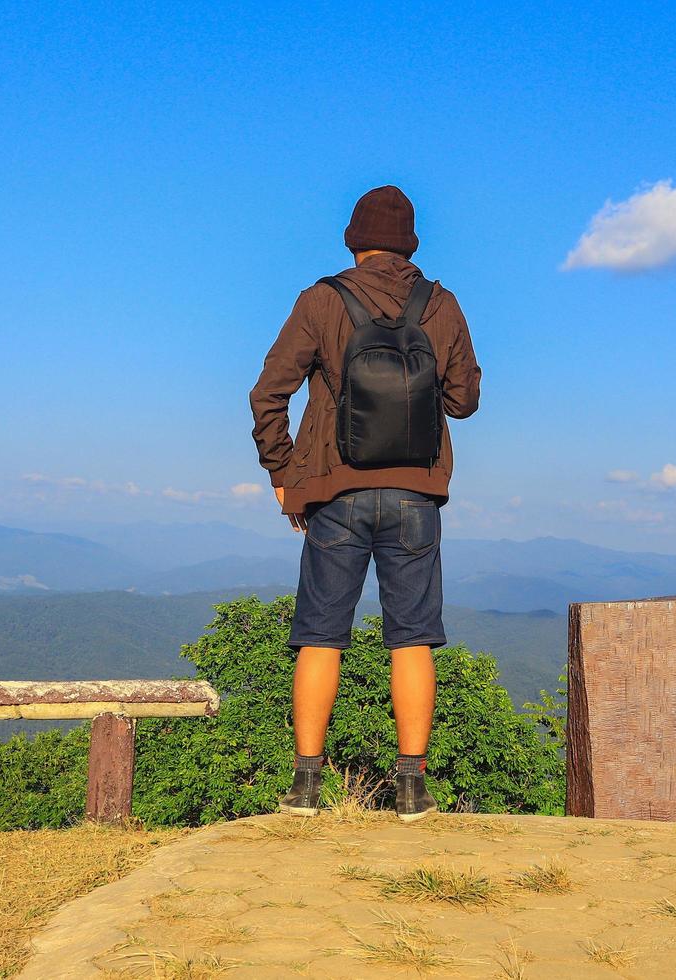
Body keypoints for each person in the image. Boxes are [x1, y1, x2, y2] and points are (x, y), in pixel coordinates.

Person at [248, 185, 481, 822]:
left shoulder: (323, 300)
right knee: (412, 640)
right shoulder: (442, 305)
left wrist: (283, 470)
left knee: (320, 636)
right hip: (416, 494)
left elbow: (268, 392)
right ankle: (411, 790)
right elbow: (463, 400)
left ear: (354, 239)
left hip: (333, 491)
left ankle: (304, 789)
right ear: (411, 241)